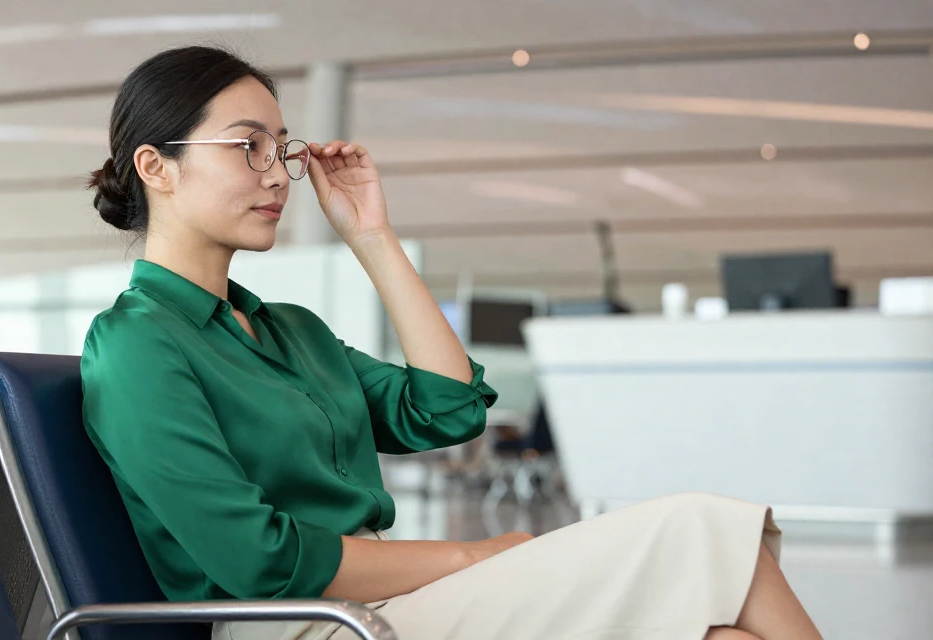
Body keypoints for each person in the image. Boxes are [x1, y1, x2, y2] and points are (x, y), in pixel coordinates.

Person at [80, 45, 821, 640]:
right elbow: (257, 559)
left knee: (723, 632)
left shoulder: (290, 330)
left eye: (281, 149)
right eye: (249, 147)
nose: (278, 175)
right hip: (303, 624)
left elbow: (446, 408)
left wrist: (373, 236)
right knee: (700, 528)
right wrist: (473, 555)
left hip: (390, 605)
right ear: (156, 167)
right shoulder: (137, 345)